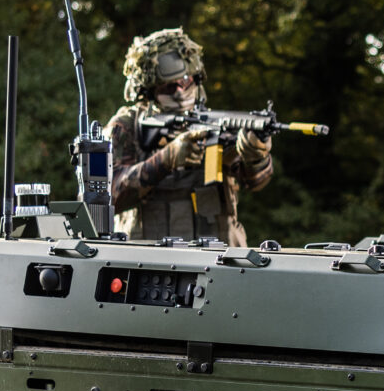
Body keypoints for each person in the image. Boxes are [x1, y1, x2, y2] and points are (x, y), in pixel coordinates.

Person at [104, 28, 273, 245]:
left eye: (186, 81)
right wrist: (167, 159)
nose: (179, 91)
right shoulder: (127, 126)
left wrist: (256, 155)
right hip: (147, 260)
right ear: (148, 91)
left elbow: (256, 182)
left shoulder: (218, 123)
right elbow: (104, 198)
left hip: (218, 259)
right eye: (168, 86)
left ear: (197, 78)